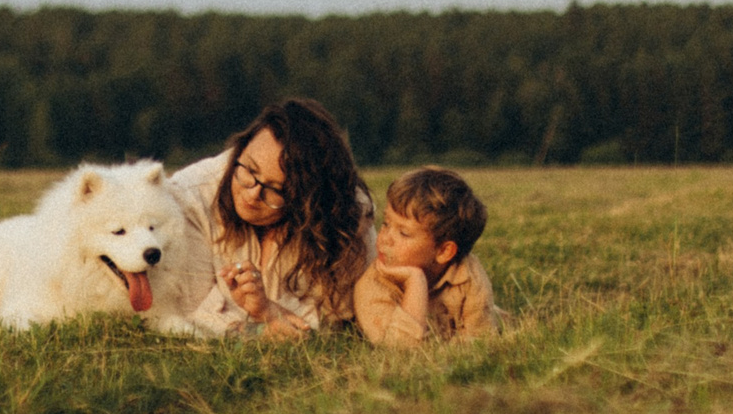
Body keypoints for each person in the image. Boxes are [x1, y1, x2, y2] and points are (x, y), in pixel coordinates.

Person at [170, 98, 373, 339]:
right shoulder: (189, 197)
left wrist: (269, 311)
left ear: (307, 200)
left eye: (276, 190)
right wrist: (263, 327)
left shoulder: (342, 214)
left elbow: (338, 319)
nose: (253, 194)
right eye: (250, 171)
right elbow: (188, 313)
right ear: (241, 148)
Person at [354, 166, 505, 345]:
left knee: (501, 321)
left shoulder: (468, 273)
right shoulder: (372, 286)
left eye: (404, 233)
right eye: (386, 224)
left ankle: (500, 313)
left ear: (443, 252)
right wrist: (415, 282)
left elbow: (482, 340)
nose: (386, 238)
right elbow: (401, 349)